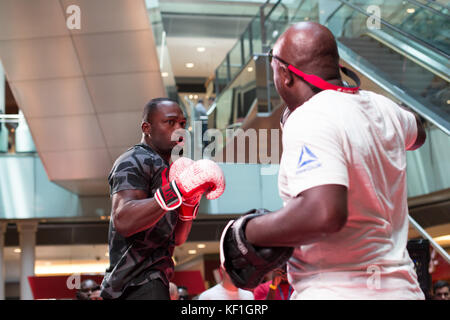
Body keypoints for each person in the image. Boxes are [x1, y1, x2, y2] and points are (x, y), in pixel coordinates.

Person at [221, 22, 426, 299]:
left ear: (285, 75)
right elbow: (419, 132)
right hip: (405, 291)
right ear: (337, 66)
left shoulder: (310, 116)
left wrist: (245, 231)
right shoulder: (385, 109)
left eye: (274, 73)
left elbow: (324, 213)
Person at [100, 97, 225, 300]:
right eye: (170, 122)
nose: (179, 129)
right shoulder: (133, 159)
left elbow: (176, 238)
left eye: (183, 124)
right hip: (134, 284)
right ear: (146, 127)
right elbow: (123, 219)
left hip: (156, 281)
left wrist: (189, 202)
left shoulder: (170, 170)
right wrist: (177, 189)